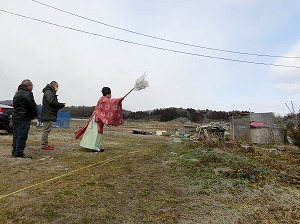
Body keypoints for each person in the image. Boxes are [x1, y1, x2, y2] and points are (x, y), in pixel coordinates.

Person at [75, 87, 124, 152]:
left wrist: (119, 100)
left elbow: (110, 103)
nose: (110, 96)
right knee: (96, 132)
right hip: (96, 118)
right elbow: (112, 102)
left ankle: (96, 146)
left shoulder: (103, 99)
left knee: (99, 132)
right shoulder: (104, 99)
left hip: (98, 118)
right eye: (110, 94)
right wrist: (119, 99)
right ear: (108, 94)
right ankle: (94, 147)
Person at [12, 79, 38, 158]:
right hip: (23, 117)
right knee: (22, 136)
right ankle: (19, 153)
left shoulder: (17, 93)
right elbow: (32, 106)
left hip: (16, 117)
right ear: (28, 86)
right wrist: (34, 115)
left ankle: (14, 151)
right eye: (31, 85)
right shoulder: (28, 94)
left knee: (16, 135)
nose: (32, 87)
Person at [41, 81, 65, 150]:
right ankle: (44, 145)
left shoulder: (49, 92)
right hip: (48, 114)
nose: (57, 88)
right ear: (53, 85)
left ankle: (45, 144)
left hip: (48, 113)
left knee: (47, 130)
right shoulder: (49, 92)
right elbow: (52, 102)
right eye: (57, 86)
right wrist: (61, 105)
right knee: (46, 130)